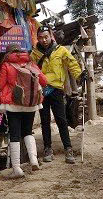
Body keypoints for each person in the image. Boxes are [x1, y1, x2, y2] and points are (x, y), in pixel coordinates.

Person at [0, 45, 48, 178]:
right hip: (30, 104)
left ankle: (17, 168)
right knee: (28, 131)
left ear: (8, 53)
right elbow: (44, 81)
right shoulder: (30, 62)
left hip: (13, 104)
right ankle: (33, 160)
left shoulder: (6, 65)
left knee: (15, 134)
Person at [31, 26, 84, 164]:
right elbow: (30, 70)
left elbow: (72, 63)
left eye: (46, 37)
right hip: (41, 91)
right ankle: (48, 149)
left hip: (56, 90)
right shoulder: (34, 54)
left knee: (62, 120)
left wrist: (79, 75)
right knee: (44, 121)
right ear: (38, 38)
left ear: (51, 36)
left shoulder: (61, 50)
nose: (43, 40)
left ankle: (68, 148)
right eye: (41, 37)